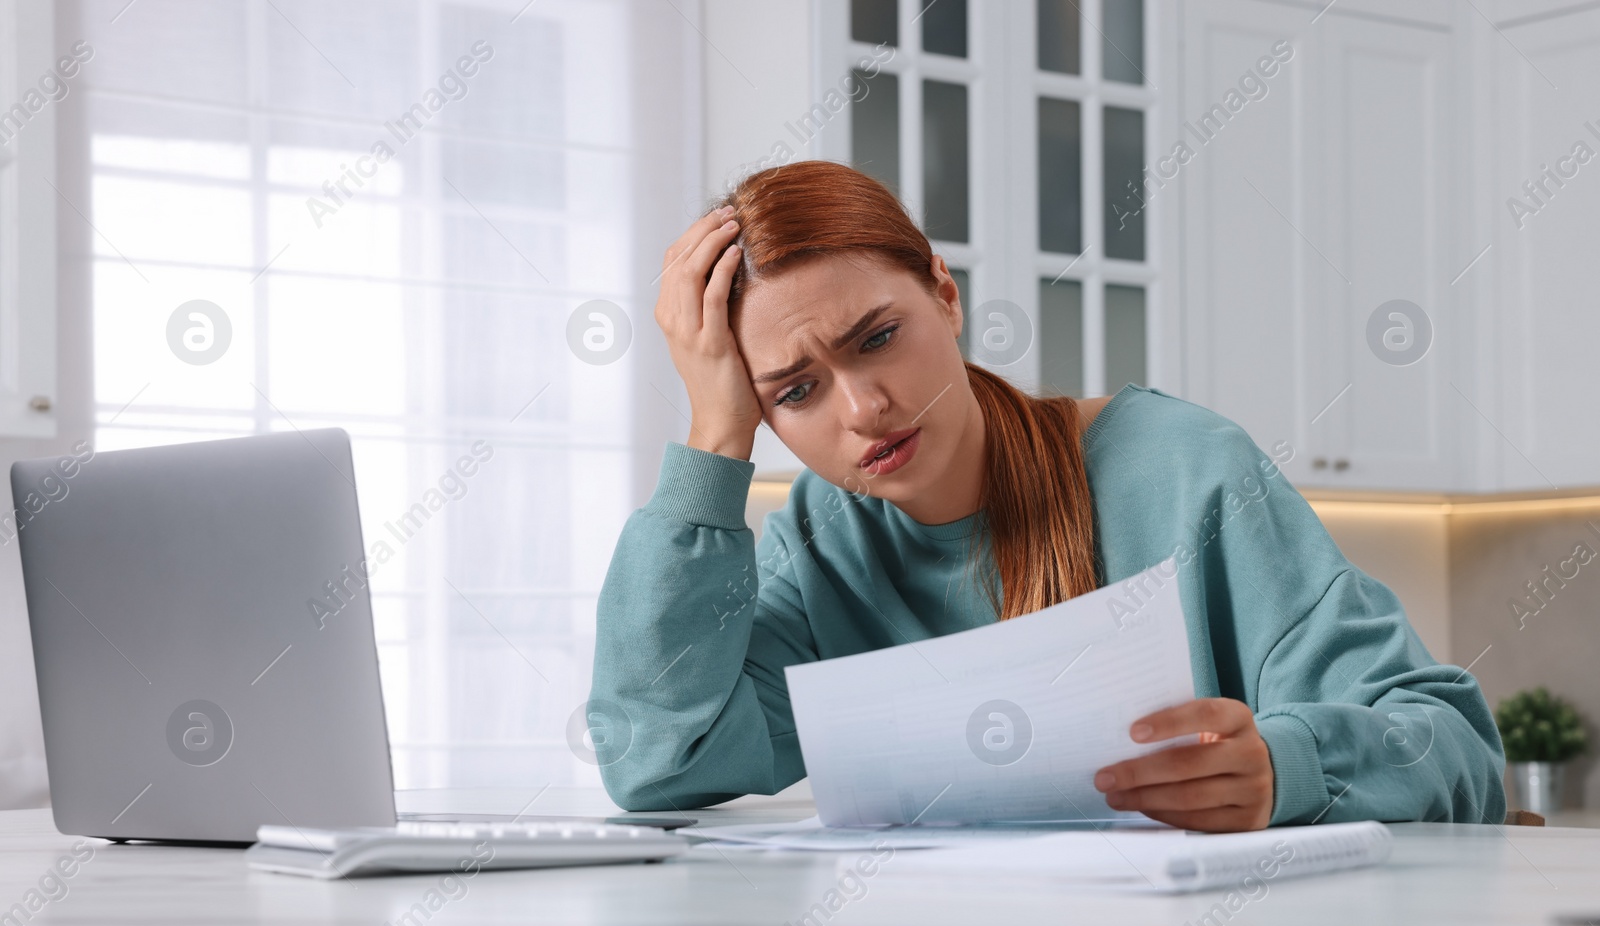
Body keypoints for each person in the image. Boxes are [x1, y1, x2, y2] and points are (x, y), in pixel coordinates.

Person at [587, 160, 1506, 831]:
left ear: (944, 295)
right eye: (794, 391)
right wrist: (714, 439)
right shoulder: (820, 550)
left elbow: (1452, 746)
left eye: (876, 337)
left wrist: (1290, 767)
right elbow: (658, 759)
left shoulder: (1186, 472)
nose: (865, 408)